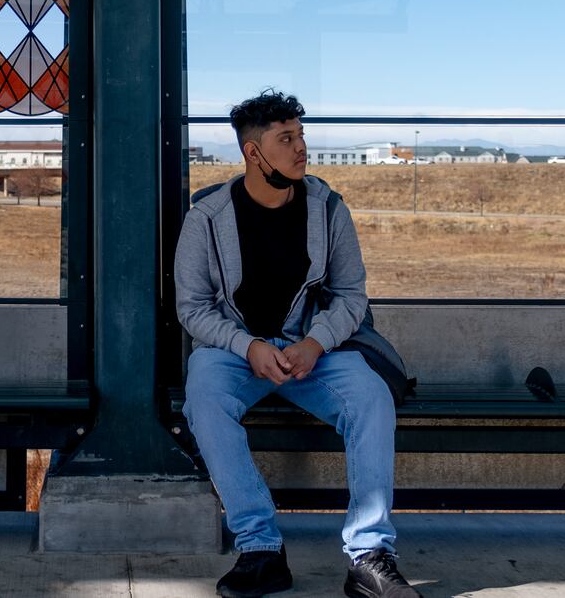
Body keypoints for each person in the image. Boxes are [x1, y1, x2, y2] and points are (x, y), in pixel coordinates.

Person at [175, 89, 418, 598]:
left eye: (301, 135)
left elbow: (352, 296)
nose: (301, 147)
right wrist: (247, 347)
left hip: (315, 353)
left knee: (371, 399)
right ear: (253, 153)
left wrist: (315, 343)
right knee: (204, 395)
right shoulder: (207, 218)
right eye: (286, 139)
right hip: (236, 353)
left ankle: (370, 555)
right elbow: (193, 309)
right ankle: (260, 548)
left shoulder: (328, 209)